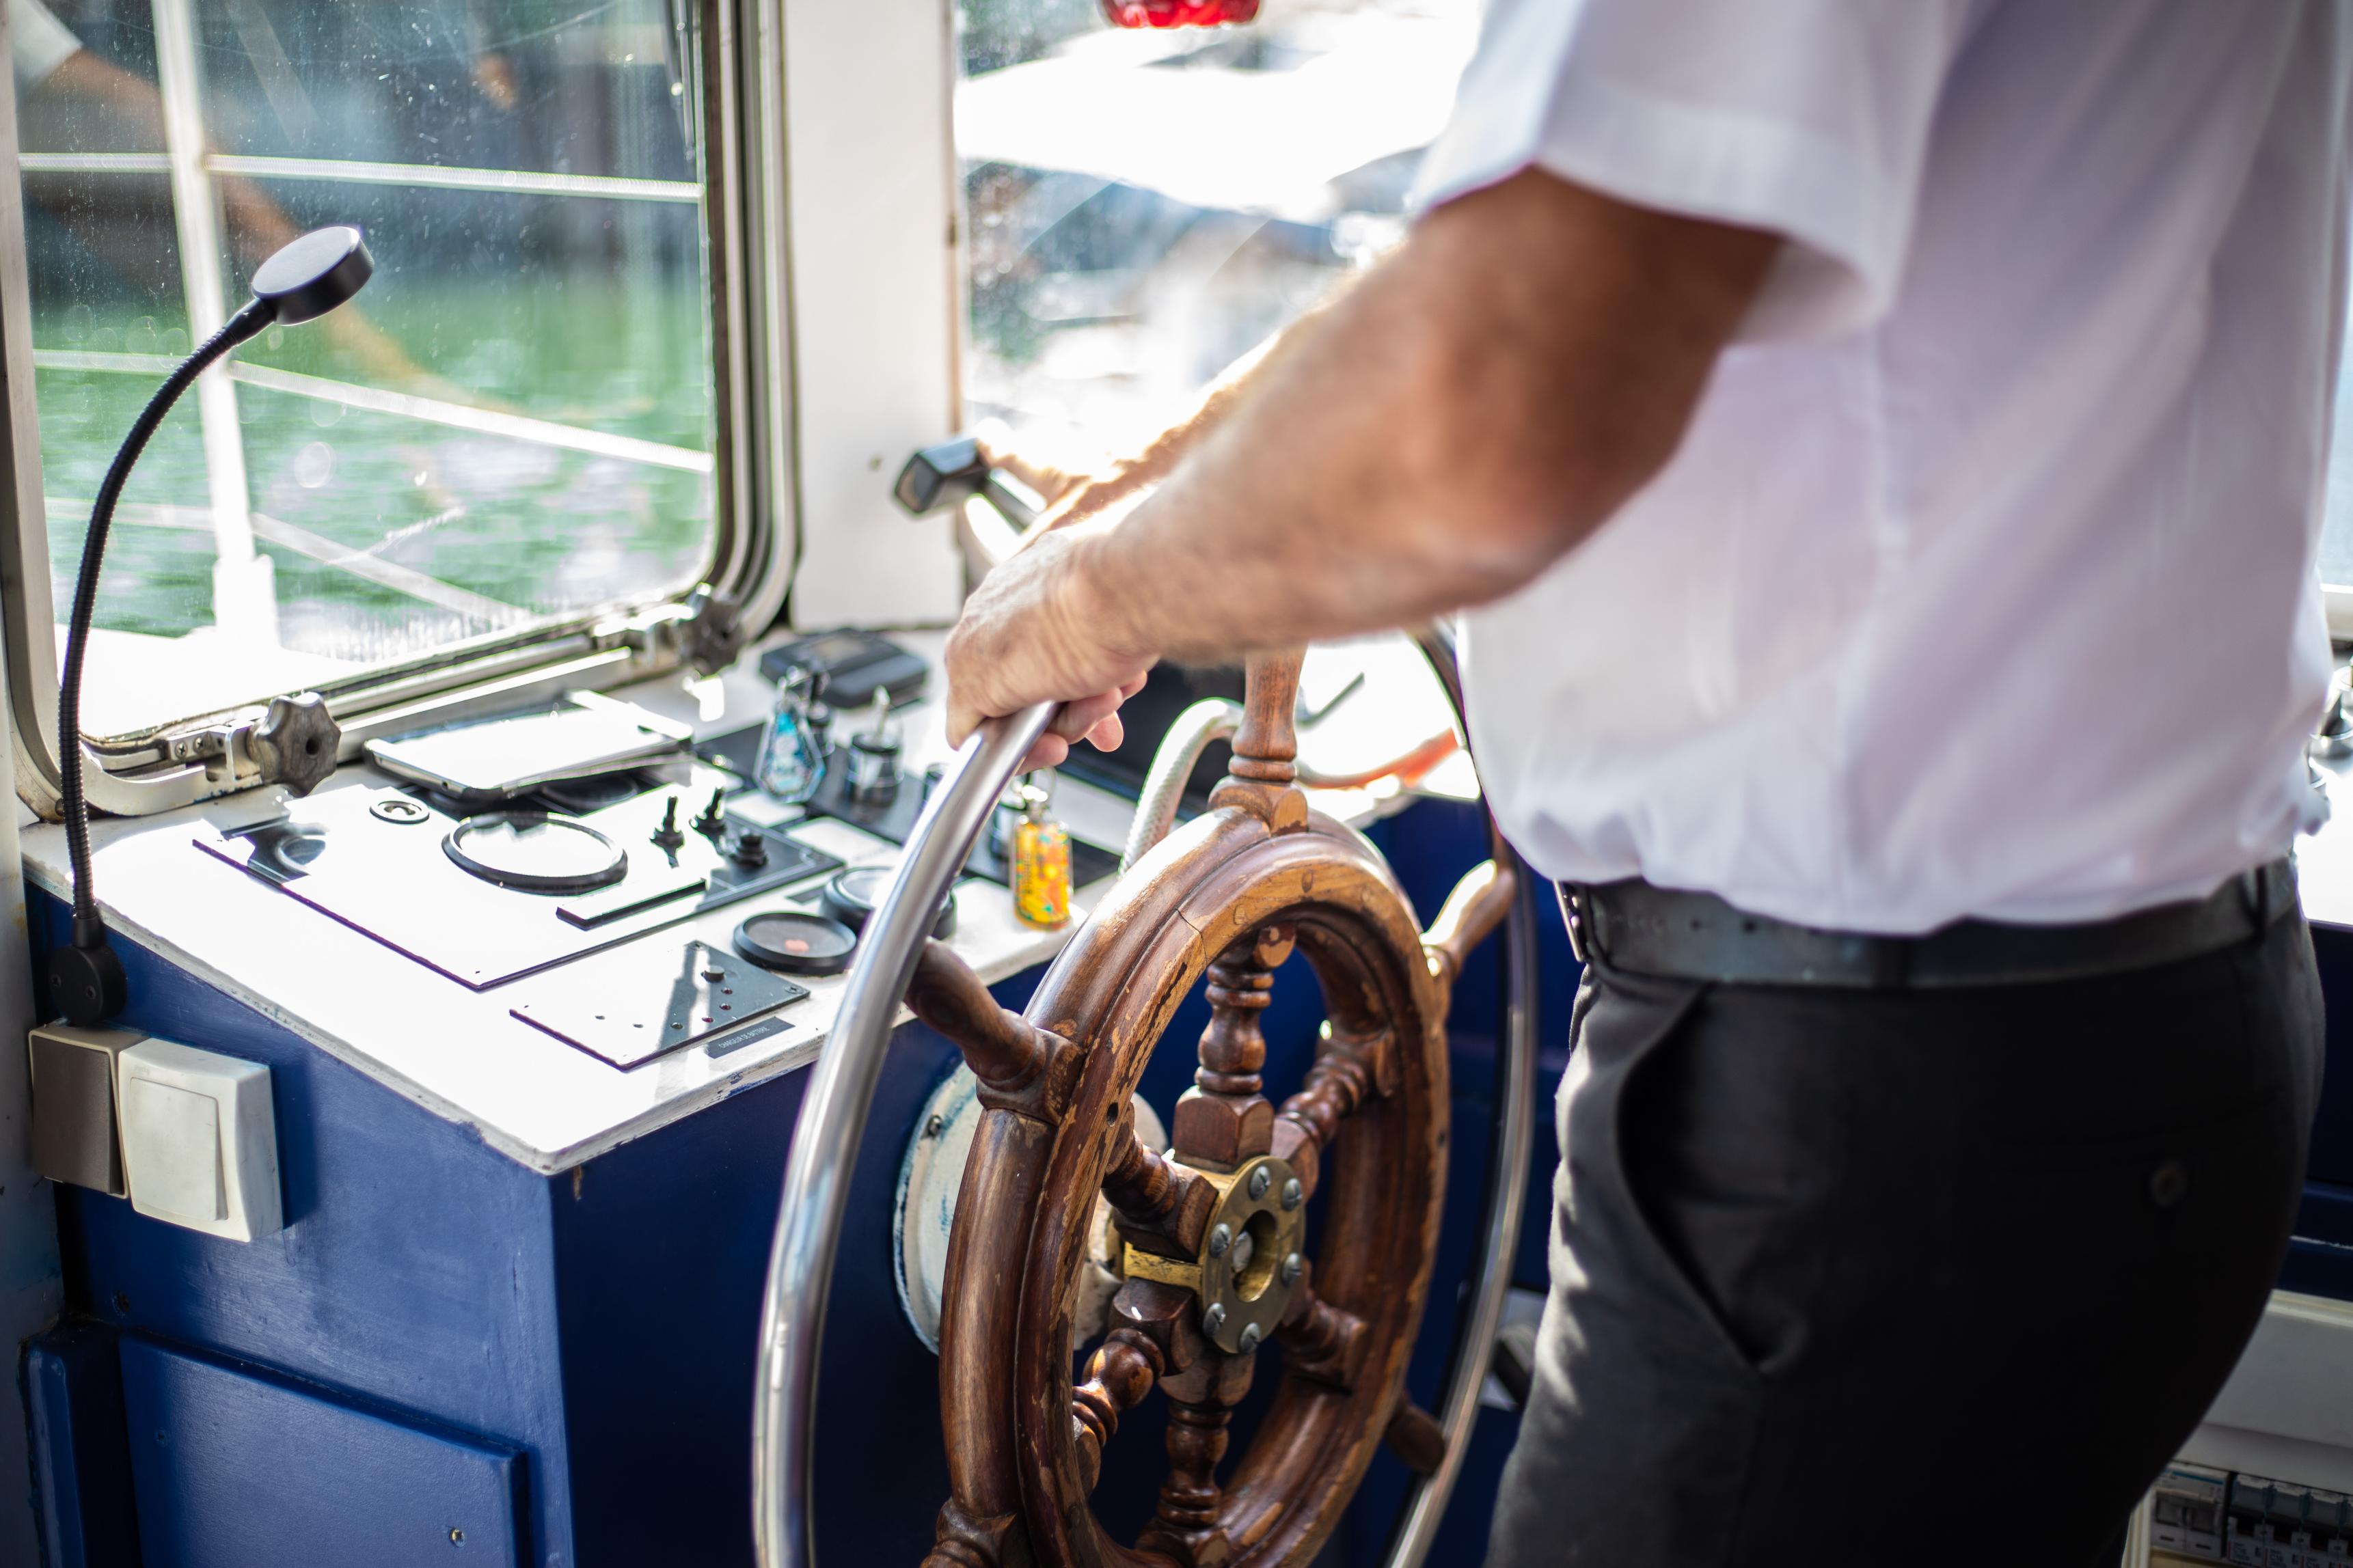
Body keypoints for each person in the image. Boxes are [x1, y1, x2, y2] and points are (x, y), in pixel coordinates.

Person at [945, 1, 2352, 1563]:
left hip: (1878, 1106)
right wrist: (1129, 511)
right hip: (2144, 1021)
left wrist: (1073, 609)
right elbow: (1537, 270)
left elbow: (1497, 402)